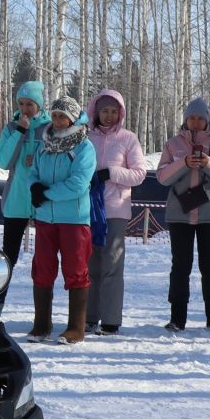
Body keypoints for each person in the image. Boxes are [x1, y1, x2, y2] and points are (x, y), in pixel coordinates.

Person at [157, 97, 210, 331]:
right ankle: (177, 318)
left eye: (200, 118)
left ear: (207, 120)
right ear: (185, 119)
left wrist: (208, 163)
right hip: (180, 214)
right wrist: (184, 162)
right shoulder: (173, 144)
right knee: (180, 266)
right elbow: (162, 177)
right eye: (191, 118)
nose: (195, 122)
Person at [24, 95, 97, 343]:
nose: (57, 120)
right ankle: (41, 324)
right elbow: (32, 172)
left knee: (75, 270)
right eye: (54, 115)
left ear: (73, 118)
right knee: (42, 268)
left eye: (62, 116)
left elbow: (78, 184)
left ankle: (76, 327)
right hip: (45, 217)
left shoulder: (84, 147)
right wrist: (34, 186)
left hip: (74, 219)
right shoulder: (44, 143)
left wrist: (46, 194)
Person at [83, 88, 147, 334]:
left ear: (120, 113)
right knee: (89, 265)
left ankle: (110, 319)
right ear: (95, 112)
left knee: (112, 265)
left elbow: (140, 174)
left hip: (115, 209)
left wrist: (111, 173)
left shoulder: (128, 138)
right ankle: (89, 316)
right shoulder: (86, 137)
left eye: (113, 111)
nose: (108, 116)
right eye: (104, 111)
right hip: (87, 210)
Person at [0, 79, 49, 297]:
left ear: (39, 105)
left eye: (30, 104)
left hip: (42, 201)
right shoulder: (11, 128)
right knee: (7, 258)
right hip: (16, 200)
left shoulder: (49, 128)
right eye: (21, 104)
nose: (25, 109)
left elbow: (53, 162)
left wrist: (34, 159)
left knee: (44, 261)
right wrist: (19, 132)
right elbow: (4, 162)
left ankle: (41, 318)